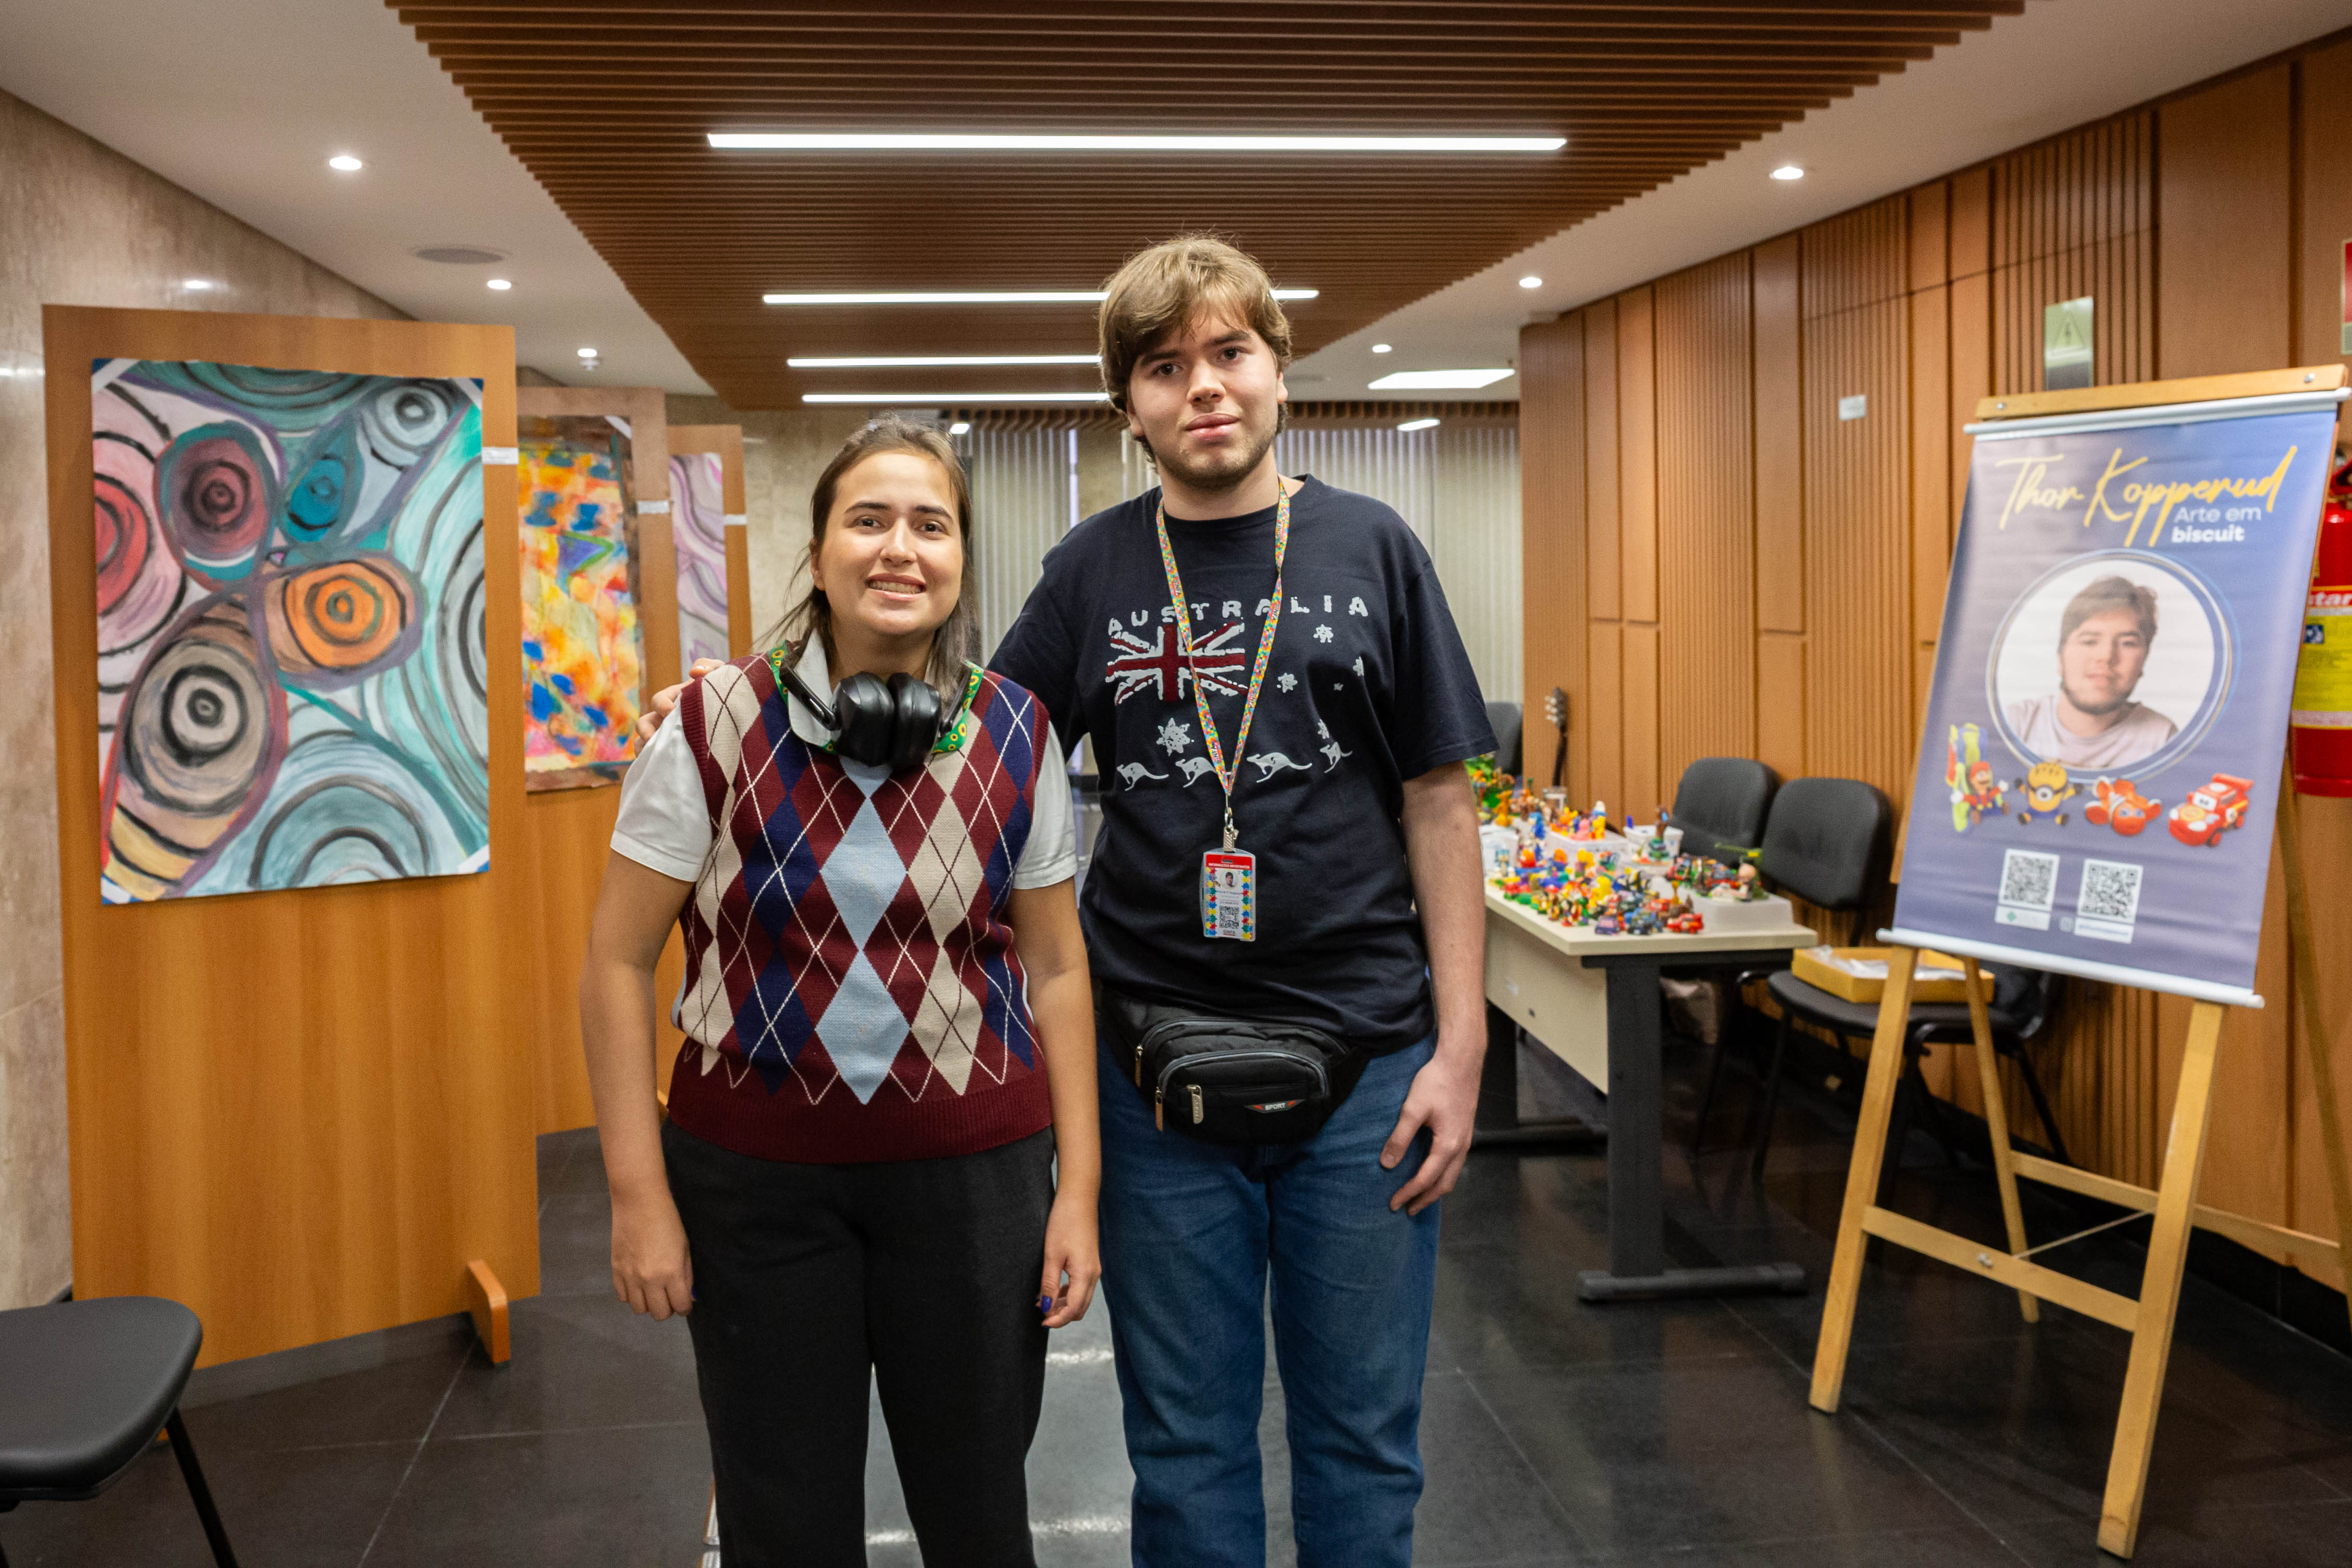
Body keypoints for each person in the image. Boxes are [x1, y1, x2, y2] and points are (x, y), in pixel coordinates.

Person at [646, 235, 1494, 1568]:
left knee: (1365, 1444)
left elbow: (1440, 801)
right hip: (1152, 1083)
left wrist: (1463, 1043)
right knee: (1187, 1447)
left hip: (1372, 1071)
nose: (1202, 386)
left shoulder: (1374, 547)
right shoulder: (1094, 569)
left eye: (1229, 353)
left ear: (1279, 374)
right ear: (1128, 407)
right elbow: (946, 717)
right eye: (1163, 366)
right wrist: (730, 696)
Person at [580, 417, 1101, 1568]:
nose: (898, 548)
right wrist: (636, 1192)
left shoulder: (1018, 731)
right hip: (754, 1191)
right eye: (867, 520)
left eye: (930, 524)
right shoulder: (709, 725)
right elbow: (615, 963)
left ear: (960, 558)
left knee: (979, 1517)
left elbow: (1059, 969)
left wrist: (1078, 1192)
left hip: (975, 1186)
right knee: (782, 1523)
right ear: (817, 555)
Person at [2004, 574, 2178, 769]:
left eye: (2127, 643)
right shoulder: (2015, 724)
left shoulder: (2163, 740)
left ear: (2144, 660)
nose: (2106, 656)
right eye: (2089, 641)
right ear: (2060, 657)